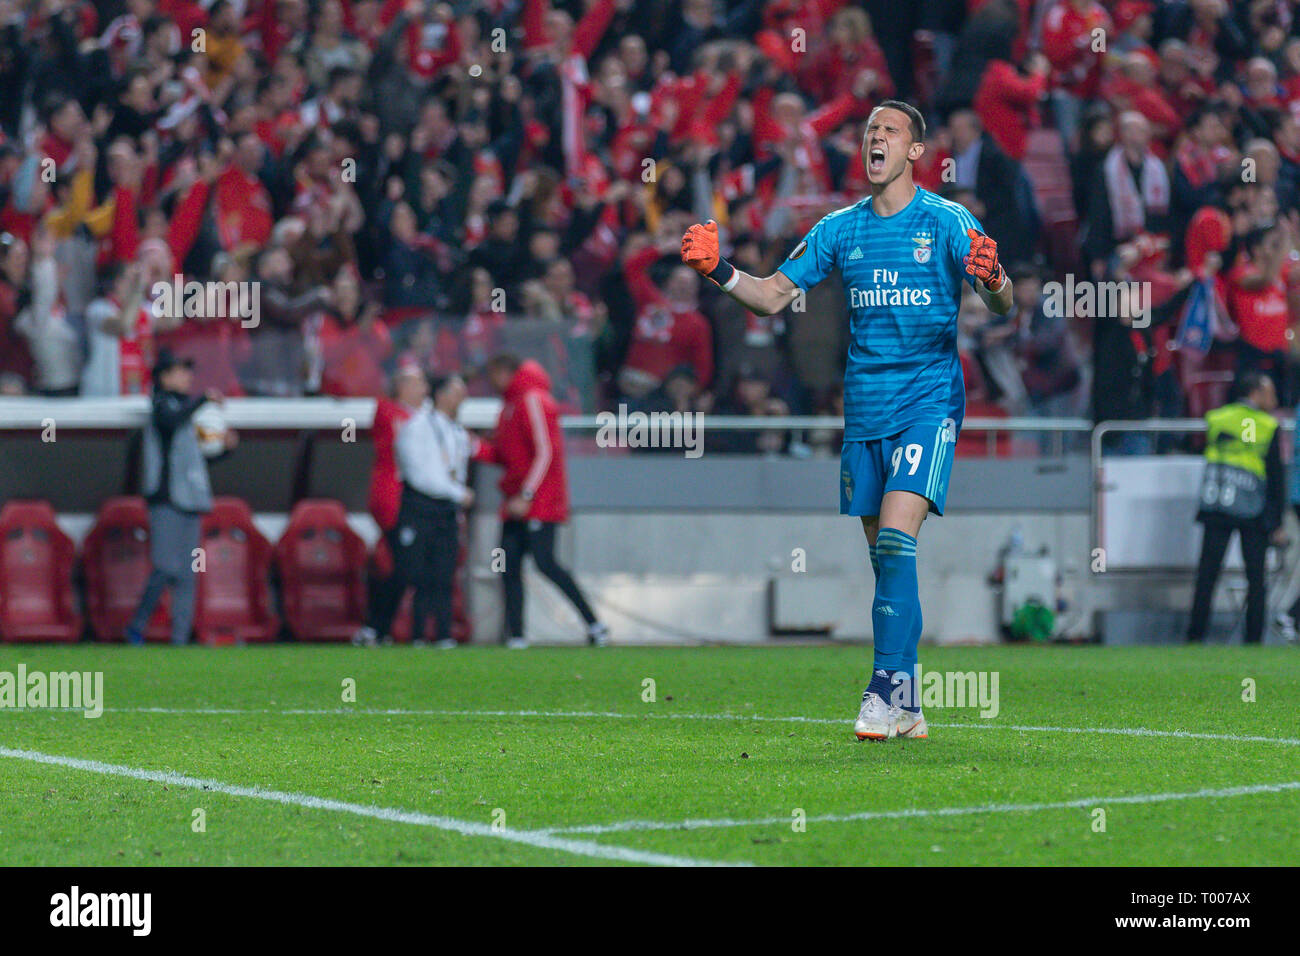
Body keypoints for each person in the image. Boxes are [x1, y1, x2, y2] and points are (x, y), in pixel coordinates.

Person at [680, 100, 1014, 740]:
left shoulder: (947, 221)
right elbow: (771, 296)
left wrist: (995, 277)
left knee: (894, 540)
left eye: (889, 130)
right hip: (864, 410)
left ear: (915, 151)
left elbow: (1001, 305)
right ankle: (909, 704)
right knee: (888, 561)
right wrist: (718, 270)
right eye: (869, 131)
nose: (875, 138)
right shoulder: (839, 228)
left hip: (928, 403)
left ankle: (882, 692)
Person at [478, 353, 608, 649]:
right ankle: (516, 635)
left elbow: (546, 451)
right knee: (507, 565)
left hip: (539, 502)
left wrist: (527, 494)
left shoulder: (532, 399)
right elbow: (508, 456)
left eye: (493, 374)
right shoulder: (509, 406)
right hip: (514, 503)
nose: (491, 382)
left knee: (546, 563)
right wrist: (476, 447)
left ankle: (595, 624)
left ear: (504, 371)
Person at [126, 349, 238, 645]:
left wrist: (225, 450)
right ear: (164, 377)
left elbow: (195, 460)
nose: (188, 376)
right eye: (180, 371)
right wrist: (203, 400)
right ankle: (137, 625)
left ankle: (180, 638)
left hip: (191, 499)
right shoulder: (163, 406)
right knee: (164, 566)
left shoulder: (186, 414)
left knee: (189, 573)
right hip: (166, 500)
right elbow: (170, 420)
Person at [1187, 371, 1286, 644]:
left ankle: (1195, 635)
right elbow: (1275, 476)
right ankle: (1253, 638)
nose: (1275, 400)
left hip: (1217, 504)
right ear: (1256, 393)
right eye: (1270, 393)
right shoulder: (1265, 425)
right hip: (1253, 508)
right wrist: (1277, 521)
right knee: (1256, 578)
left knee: (1207, 575)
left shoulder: (1216, 417)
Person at [389, 373, 475, 648]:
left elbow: (455, 471)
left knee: (445, 574)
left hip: (446, 511)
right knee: (417, 574)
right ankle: (414, 635)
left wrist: (456, 500)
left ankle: (444, 635)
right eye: (457, 392)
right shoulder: (417, 427)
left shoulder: (458, 432)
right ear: (441, 395)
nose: (462, 398)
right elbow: (419, 475)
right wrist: (458, 493)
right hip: (420, 508)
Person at [354, 359, 427, 646]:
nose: (424, 389)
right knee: (403, 565)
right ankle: (375, 626)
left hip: (413, 501)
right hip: (393, 500)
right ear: (402, 386)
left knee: (403, 566)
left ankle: (379, 628)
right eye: (418, 383)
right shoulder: (389, 410)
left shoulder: (420, 415)